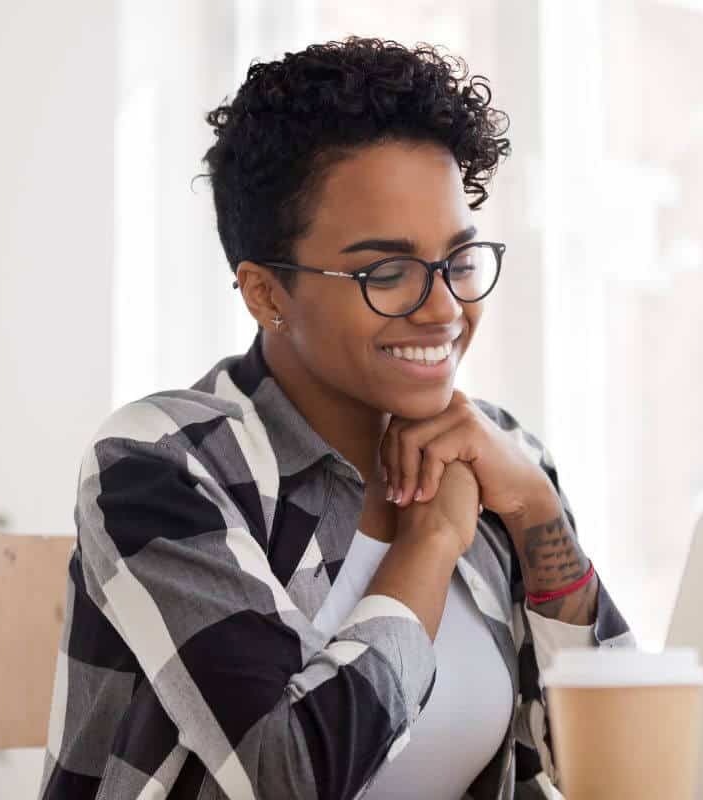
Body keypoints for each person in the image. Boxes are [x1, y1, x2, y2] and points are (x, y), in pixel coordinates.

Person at [39, 36, 633, 800]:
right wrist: (431, 541)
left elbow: (618, 763)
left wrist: (538, 510)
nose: (445, 307)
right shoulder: (165, 463)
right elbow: (294, 775)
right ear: (265, 294)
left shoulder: (500, 457)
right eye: (386, 272)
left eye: (458, 259)